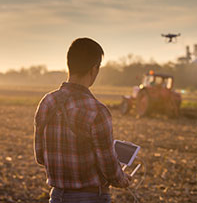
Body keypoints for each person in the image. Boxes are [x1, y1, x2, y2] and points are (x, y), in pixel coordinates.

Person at [34, 38, 131, 203]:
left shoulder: (47, 102)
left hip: (56, 196)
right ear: (94, 69)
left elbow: (40, 157)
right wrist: (123, 179)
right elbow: (109, 168)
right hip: (92, 198)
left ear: (69, 64)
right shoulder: (97, 111)